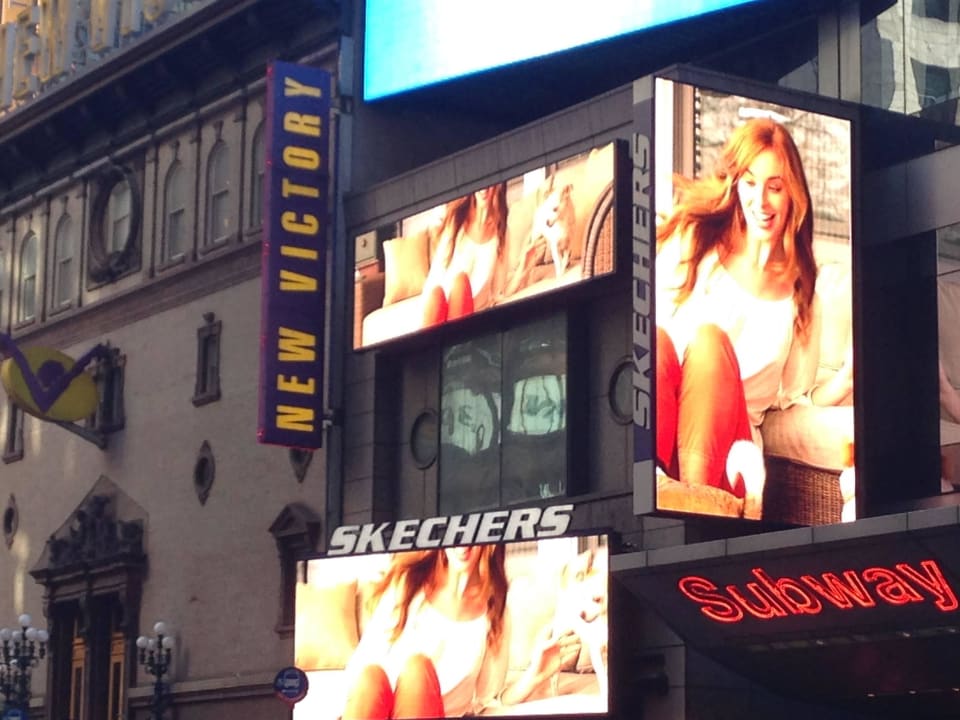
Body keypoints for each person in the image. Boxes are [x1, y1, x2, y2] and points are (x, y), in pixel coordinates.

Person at [655, 116, 845, 518]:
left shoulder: (802, 293)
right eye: (750, 183)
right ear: (735, 185)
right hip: (662, 442)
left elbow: (792, 400)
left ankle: (695, 506)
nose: (761, 202)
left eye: (775, 187)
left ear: (792, 194)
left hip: (729, 456)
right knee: (653, 342)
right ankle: (654, 491)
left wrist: (847, 379)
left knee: (709, 344)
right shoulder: (695, 241)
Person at [340, 545, 571, 719]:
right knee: (371, 676)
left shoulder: (495, 612)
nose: (463, 546)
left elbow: (485, 700)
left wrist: (536, 675)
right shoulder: (408, 583)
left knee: (417, 670)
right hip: (376, 708)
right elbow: (361, 665)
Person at [422, 183, 508, 327]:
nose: (484, 189)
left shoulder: (502, 232)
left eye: (490, 182)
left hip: (473, 311)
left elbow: (499, 290)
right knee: (437, 293)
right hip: (444, 306)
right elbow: (436, 274)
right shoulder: (457, 219)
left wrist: (524, 266)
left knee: (461, 282)